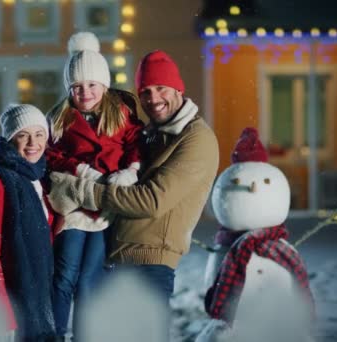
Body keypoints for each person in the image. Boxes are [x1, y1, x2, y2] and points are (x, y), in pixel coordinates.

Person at [48, 49, 220, 317]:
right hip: (117, 258)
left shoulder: (195, 138)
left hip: (150, 264)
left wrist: (86, 191)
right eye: (145, 92)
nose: (153, 99)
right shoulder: (150, 132)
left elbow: (151, 201)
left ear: (178, 89)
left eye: (161, 88)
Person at [45, 32, 144, 339]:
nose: (84, 92)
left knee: (90, 278)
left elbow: (135, 144)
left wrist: (131, 170)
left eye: (91, 84)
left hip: (107, 206)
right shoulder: (60, 117)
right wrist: (80, 168)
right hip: (75, 204)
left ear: (104, 84)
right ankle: (56, 334)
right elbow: (51, 154)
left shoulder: (121, 113)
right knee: (65, 275)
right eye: (77, 86)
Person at [0, 104, 56, 341]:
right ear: (10, 140)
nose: (33, 143)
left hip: (40, 300)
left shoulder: (40, 181)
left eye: (39, 134)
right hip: (14, 304)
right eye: (23, 135)